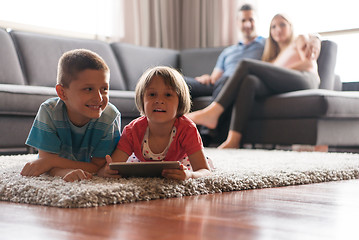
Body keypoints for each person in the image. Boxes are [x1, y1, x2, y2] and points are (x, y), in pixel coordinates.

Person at [187, 14, 322, 149]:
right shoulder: (274, 58)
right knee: (249, 81)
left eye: (282, 24)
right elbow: (276, 75)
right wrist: (275, 70)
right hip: (285, 83)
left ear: (291, 27)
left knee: (245, 64)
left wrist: (315, 39)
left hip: (306, 79)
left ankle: (213, 112)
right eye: (273, 27)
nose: (277, 29)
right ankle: (234, 139)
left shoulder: (299, 39)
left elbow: (309, 62)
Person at [20, 49, 121, 182]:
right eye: (88, 89)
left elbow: (99, 166)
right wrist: (62, 171)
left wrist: (51, 163)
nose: (99, 98)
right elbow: (46, 160)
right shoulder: (49, 111)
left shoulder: (110, 116)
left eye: (104, 89)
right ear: (62, 93)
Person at [104, 66, 212, 180]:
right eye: (152, 94)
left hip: (181, 163)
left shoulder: (187, 129)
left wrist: (189, 175)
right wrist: (108, 171)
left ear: (180, 102)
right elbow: (113, 165)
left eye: (168, 95)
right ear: (142, 99)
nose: (159, 100)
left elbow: (204, 171)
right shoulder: (132, 131)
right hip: (141, 163)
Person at [184, 3, 265, 100]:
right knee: (178, 82)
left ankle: (211, 113)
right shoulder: (228, 51)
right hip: (221, 84)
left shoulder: (266, 45)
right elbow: (214, 79)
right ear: (237, 23)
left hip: (241, 84)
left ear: (257, 21)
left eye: (251, 20)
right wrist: (206, 78)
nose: (247, 24)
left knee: (227, 79)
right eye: (243, 20)